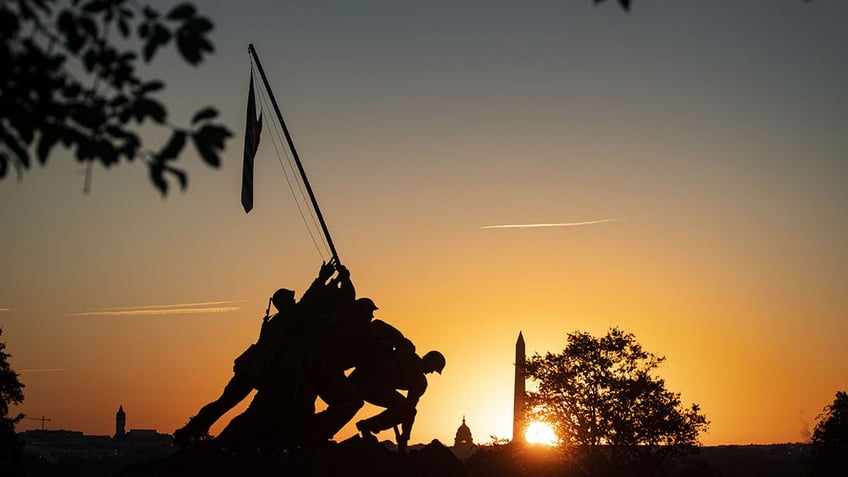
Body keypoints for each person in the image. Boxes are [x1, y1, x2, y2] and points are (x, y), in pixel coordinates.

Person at [174, 262, 336, 448]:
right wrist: (322, 278)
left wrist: (328, 282)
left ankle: (190, 432)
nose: (294, 301)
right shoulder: (287, 319)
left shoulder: (278, 320)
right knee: (241, 407)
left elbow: (307, 303)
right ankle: (202, 436)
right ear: (285, 303)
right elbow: (307, 302)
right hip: (260, 372)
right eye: (291, 299)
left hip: (251, 369)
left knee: (224, 403)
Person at [350, 349, 445, 452]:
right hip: (366, 382)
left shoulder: (419, 381)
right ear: (428, 360)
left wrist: (405, 435)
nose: (431, 372)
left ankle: (367, 426)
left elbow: (409, 409)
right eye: (432, 368)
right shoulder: (407, 356)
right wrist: (405, 436)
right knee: (407, 410)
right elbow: (409, 410)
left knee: (407, 410)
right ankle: (367, 426)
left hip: (370, 385)